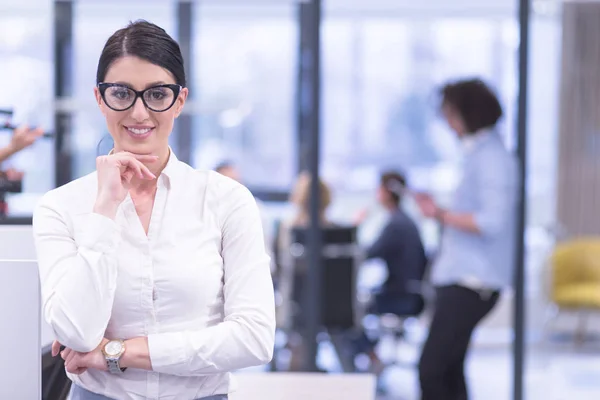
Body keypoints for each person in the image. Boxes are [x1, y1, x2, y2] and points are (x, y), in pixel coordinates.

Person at [33, 20, 275, 400]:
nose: (140, 112)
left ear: (179, 101)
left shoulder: (226, 200)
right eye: (121, 93)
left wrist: (115, 352)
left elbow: (254, 339)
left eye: (157, 94)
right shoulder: (61, 207)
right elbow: (76, 333)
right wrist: (105, 209)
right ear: (100, 98)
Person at [413, 78, 518, 400]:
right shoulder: (480, 154)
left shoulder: (492, 158)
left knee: (431, 370)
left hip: (471, 282)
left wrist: (441, 215)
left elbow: (491, 220)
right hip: (464, 278)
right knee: (449, 369)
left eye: (449, 113)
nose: (446, 122)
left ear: (466, 114)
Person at [352, 171, 427, 373]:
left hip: (399, 296)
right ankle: (371, 356)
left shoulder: (397, 225)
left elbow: (369, 253)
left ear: (386, 192)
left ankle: (371, 356)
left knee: (348, 313)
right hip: (407, 292)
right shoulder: (404, 221)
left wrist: (357, 225)